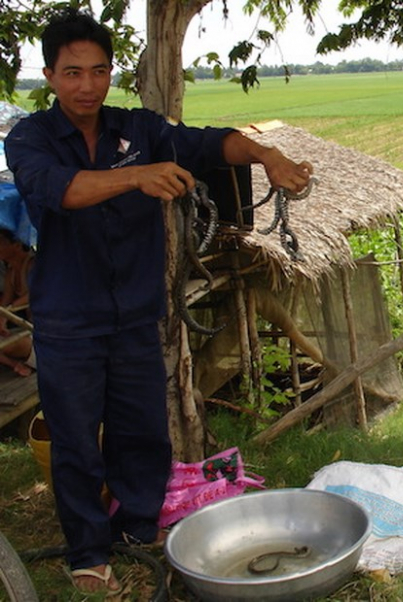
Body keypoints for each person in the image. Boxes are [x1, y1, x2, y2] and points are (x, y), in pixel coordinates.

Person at [6, 8, 313, 595]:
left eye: (98, 71)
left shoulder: (139, 128)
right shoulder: (31, 138)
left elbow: (211, 143)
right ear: (49, 76)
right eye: (72, 73)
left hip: (136, 311)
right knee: (75, 438)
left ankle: (137, 528)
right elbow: (61, 190)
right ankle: (88, 552)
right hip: (69, 317)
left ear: (109, 72)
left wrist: (266, 156)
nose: (87, 85)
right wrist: (136, 177)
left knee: (142, 430)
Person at [0, 227, 34, 376]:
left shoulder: (34, 264)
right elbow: (5, 303)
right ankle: (14, 364)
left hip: (44, 334)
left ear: (17, 245)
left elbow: (36, 294)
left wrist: (10, 308)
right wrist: (2, 320)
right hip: (26, 331)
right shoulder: (10, 273)